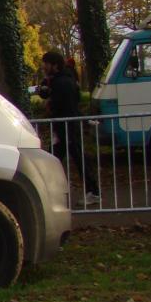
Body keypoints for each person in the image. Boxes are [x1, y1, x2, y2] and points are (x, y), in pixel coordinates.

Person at [41, 50, 99, 206]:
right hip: (65, 128)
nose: (44, 67)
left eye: (46, 64)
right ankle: (49, 192)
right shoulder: (64, 80)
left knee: (75, 159)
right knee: (56, 159)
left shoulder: (62, 83)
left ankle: (93, 191)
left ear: (55, 65)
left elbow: (60, 105)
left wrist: (50, 105)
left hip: (66, 128)